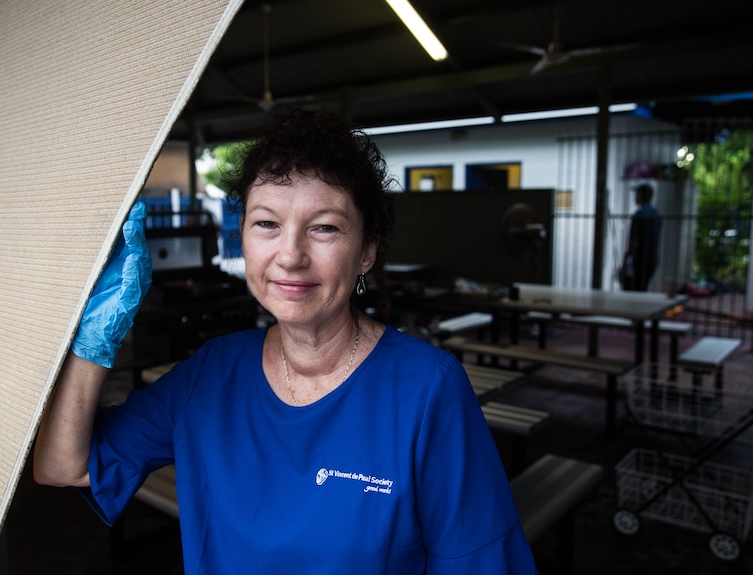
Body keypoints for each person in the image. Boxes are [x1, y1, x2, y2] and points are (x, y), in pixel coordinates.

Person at [34, 108, 538, 573]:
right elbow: (61, 467)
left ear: (366, 252)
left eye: (323, 228)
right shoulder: (210, 374)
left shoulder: (427, 390)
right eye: (267, 224)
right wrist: (94, 344)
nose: (290, 255)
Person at [621, 183, 662, 291]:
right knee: (643, 288)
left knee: (632, 289)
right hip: (651, 259)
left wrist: (626, 259)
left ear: (640, 196)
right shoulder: (656, 214)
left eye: (637, 194)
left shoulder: (639, 214)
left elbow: (634, 240)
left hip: (638, 259)